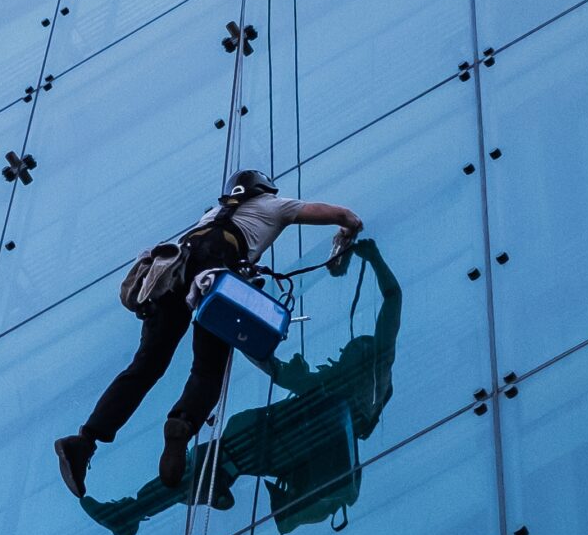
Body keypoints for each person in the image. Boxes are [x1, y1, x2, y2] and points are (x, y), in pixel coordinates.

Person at [54, 169, 363, 499]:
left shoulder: (211, 214)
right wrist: (346, 233)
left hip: (171, 277)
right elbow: (345, 216)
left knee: (145, 367)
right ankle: (182, 424)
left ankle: (84, 440)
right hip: (215, 282)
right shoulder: (276, 206)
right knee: (207, 371)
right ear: (265, 190)